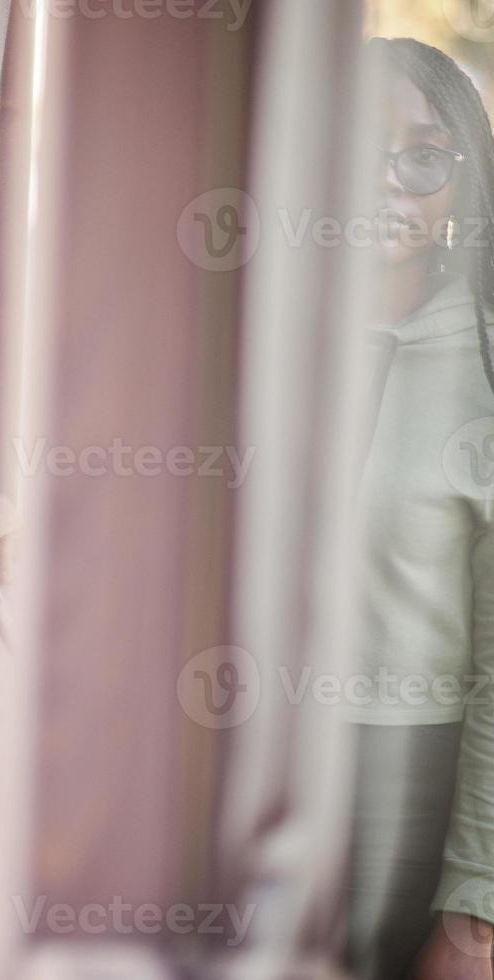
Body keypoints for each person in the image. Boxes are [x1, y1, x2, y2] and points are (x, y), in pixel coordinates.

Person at [348, 36, 494, 980]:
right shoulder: (233, 347)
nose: (387, 184)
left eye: (422, 155)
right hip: (222, 756)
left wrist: (474, 908)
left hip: (405, 786)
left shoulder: (482, 370)